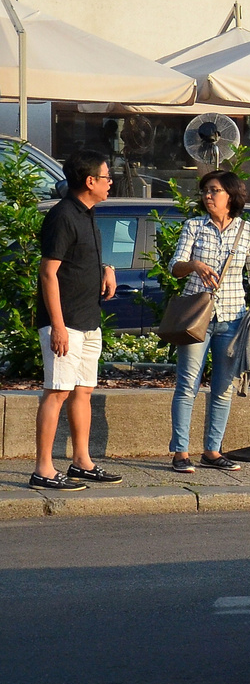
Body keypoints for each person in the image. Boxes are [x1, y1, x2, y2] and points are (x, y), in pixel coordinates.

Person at [31, 149, 122, 491]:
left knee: (83, 391)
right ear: (89, 182)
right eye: (106, 177)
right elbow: (49, 273)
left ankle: (81, 461)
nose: (110, 183)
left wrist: (106, 269)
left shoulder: (87, 214)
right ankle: (43, 468)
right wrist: (56, 325)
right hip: (65, 322)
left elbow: (79, 259)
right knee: (56, 392)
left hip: (88, 318)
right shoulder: (63, 216)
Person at [168, 170, 250, 473]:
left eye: (214, 190)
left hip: (233, 318)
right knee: (188, 384)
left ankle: (212, 450)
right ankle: (180, 452)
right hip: (197, 318)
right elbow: (174, 267)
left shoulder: (247, 231)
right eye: (205, 191)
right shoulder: (194, 227)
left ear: (231, 195)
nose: (207, 196)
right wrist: (194, 265)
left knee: (224, 386)